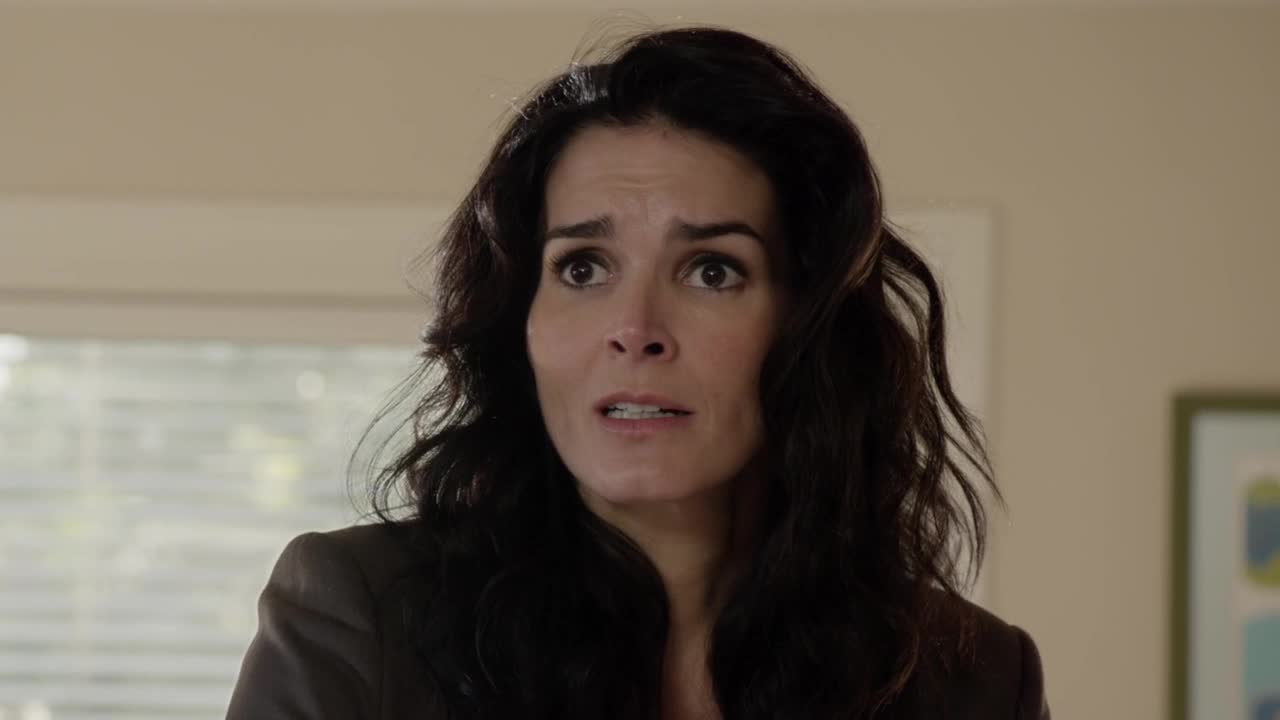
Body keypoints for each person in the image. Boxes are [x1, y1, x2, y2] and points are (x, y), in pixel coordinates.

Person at [226, 24, 1050, 720]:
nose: (636, 331)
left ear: (808, 327)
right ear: (521, 323)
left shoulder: (977, 680)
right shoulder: (360, 617)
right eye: (582, 267)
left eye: (713, 271)